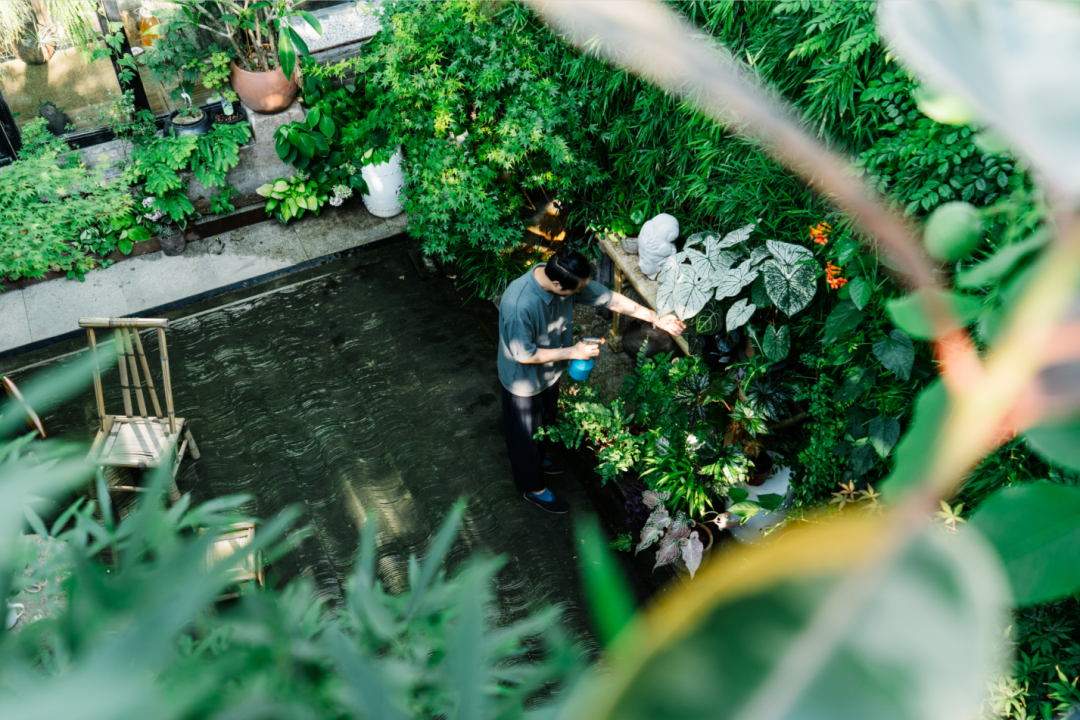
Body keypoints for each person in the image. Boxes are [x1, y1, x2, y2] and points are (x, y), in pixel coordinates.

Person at [498, 248, 686, 513]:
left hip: (551, 372)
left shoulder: (566, 277)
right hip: (523, 382)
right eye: (575, 292)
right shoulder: (519, 303)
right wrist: (573, 352)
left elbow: (609, 299)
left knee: (545, 423)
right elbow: (522, 354)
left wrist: (656, 318)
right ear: (556, 284)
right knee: (524, 437)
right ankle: (533, 487)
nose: (580, 293)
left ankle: (538, 462)